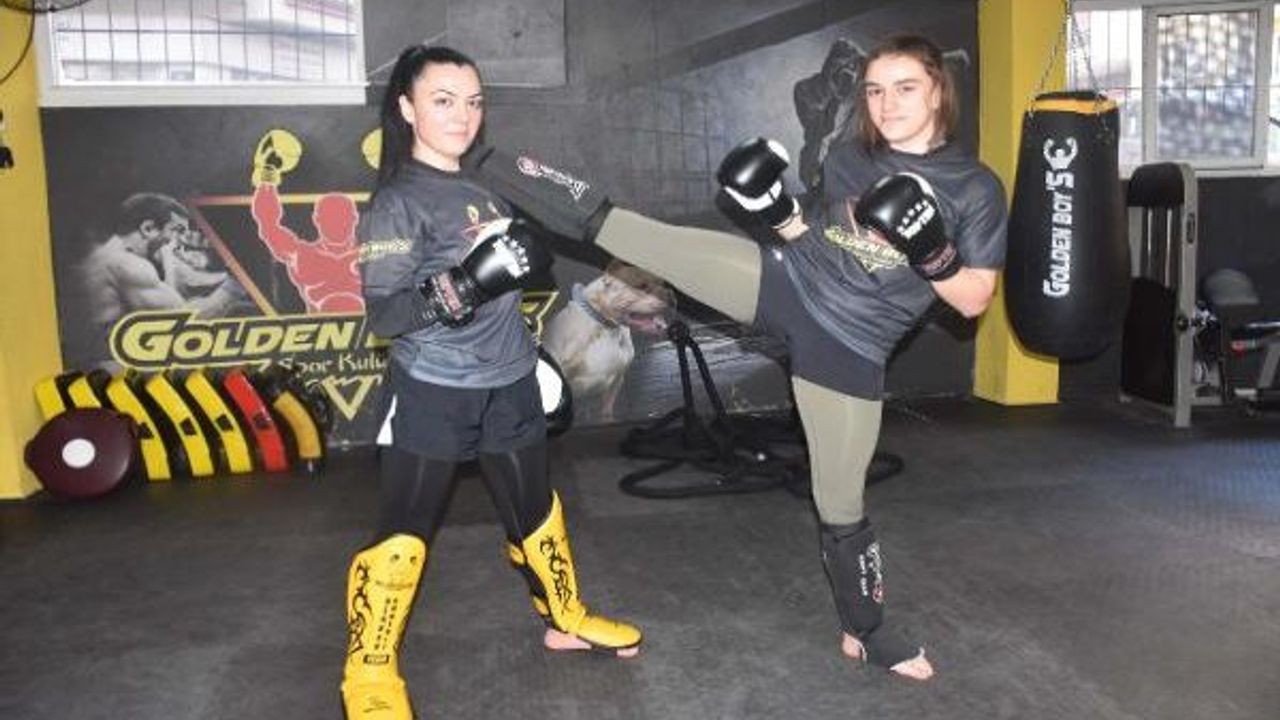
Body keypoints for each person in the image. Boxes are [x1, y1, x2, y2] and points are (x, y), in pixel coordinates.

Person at [465, 33, 1006, 681]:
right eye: (875, 90)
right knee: (641, 235)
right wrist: (774, 210)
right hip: (787, 283)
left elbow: (974, 298)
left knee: (839, 500)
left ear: (938, 91)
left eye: (905, 88)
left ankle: (866, 631)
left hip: (850, 343)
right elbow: (807, 235)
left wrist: (933, 252)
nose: (887, 104)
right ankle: (479, 161)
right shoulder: (848, 157)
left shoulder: (975, 188)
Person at [342, 45, 642, 720]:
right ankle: (369, 668)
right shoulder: (397, 202)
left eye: (473, 102)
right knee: (404, 536)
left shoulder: (489, 181)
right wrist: (465, 284)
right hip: (434, 387)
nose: (462, 116)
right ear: (407, 108)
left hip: (509, 376)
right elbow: (386, 315)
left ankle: (564, 619)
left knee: (535, 510)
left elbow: (522, 268)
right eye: (443, 101)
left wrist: (523, 267)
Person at [78, 192, 248, 369]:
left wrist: (169, 261)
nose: (176, 240)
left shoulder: (103, 255)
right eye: (176, 230)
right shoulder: (128, 265)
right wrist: (235, 285)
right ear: (148, 228)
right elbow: (186, 320)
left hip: (96, 362)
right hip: (113, 367)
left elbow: (179, 290)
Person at [249, 131, 365, 313]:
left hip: (374, 329)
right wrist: (267, 176)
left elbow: (408, 242)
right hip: (318, 327)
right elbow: (268, 224)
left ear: (354, 218)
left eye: (341, 217)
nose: (336, 224)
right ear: (317, 220)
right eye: (330, 218)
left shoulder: (373, 252)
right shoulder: (303, 256)